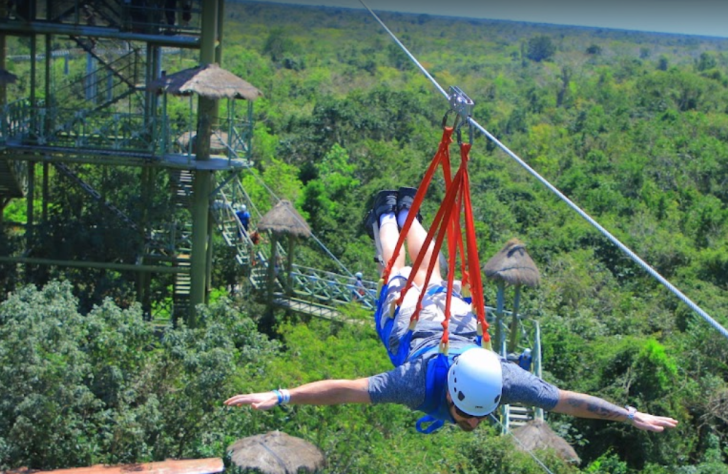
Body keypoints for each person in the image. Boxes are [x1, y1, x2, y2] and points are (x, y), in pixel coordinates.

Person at [225, 187, 678, 434]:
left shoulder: (504, 382)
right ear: (453, 398)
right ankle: (389, 213)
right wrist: (283, 395)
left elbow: (569, 401)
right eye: (471, 418)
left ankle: (405, 209)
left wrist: (630, 415)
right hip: (419, 323)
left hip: (450, 319)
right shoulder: (413, 383)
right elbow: (345, 389)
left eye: (480, 417)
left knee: (433, 278)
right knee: (397, 272)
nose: (476, 424)